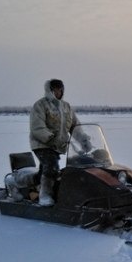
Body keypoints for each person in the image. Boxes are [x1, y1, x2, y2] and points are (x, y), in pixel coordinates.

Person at [29, 78, 87, 206]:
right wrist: (49, 138)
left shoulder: (66, 107)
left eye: (61, 90)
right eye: (55, 89)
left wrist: (84, 141)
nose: (59, 92)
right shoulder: (41, 105)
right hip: (42, 144)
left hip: (58, 145)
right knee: (51, 166)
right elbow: (37, 127)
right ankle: (45, 195)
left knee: (47, 171)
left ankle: (23, 183)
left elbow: (75, 126)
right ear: (50, 90)